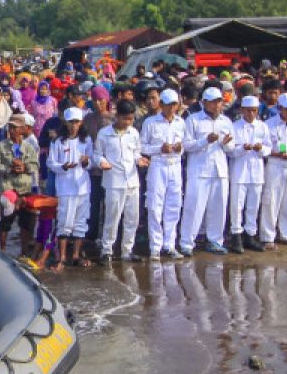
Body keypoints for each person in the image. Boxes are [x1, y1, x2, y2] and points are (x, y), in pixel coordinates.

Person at [180, 88, 236, 255]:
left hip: (219, 170)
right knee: (194, 207)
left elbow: (232, 148)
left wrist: (226, 143)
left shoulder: (226, 121)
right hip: (199, 170)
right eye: (213, 101)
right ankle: (186, 243)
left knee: (219, 207)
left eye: (219, 101)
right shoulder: (193, 120)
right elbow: (187, 145)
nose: (217, 105)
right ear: (204, 102)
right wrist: (205, 140)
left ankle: (215, 240)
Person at [95, 99, 148, 264]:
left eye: (131, 119)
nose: (128, 122)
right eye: (126, 119)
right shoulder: (104, 133)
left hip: (132, 181)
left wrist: (140, 160)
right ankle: (107, 250)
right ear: (117, 116)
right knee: (112, 217)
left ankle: (127, 250)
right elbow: (97, 154)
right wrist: (102, 162)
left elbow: (137, 153)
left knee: (132, 218)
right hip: (114, 181)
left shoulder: (133, 133)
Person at [140, 88, 187, 258]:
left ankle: (170, 244)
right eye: (168, 105)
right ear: (161, 105)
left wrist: (180, 148)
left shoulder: (181, 122)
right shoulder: (150, 123)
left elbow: (185, 144)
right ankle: (155, 246)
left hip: (175, 166)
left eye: (174, 104)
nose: (171, 108)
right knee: (154, 206)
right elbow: (142, 146)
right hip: (158, 166)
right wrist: (159, 149)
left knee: (174, 205)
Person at [48, 108, 93, 268]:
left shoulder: (86, 140)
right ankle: (61, 258)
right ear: (66, 123)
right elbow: (51, 163)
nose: (74, 125)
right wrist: (64, 166)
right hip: (65, 188)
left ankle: (75, 255)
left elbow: (91, 162)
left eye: (77, 122)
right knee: (64, 221)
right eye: (71, 122)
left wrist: (86, 162)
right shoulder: (58, 142)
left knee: (80, 222)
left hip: (82, 187)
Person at [259, 93, 287, 250]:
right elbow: (263, 147)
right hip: (274, 165)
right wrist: (275, 154)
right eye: (286, 108)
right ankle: (267, 236)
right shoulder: (268, 124)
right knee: (271, 200)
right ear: (279, 108)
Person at [227, 95, 271, 253]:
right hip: (239, 171)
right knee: (237, 206)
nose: (251, 114)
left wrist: (261, 149)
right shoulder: (235, 126)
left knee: (253, 205)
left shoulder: (262, 127)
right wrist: (242, 149)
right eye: (248, 111)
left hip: (257, 171)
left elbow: (269, 148)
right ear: (242, 110)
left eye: (254, 111)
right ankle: (236, 235)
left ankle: (250, 235)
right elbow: (230, 150)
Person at [0, 119, 41, 258]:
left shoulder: (29, 147)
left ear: (22, 129)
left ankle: (24, 253)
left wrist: (24, 167)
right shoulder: (1, 147)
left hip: (25, 189)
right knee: (5, 222)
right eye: (10, 128)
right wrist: (9, 169)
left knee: (26, 223)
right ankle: (2, 251)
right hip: (8, 189)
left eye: (15, 128)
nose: (12, 131)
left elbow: (35, 166)